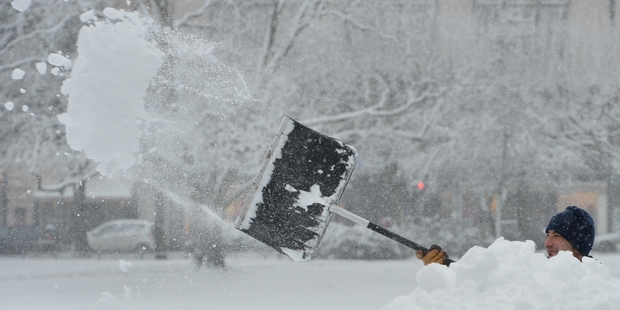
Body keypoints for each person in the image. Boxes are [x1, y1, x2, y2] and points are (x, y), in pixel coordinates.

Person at [416, 205, 596, 265]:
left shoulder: (597, 293)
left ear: (578, 244)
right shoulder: (534, 274)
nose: (547, 243)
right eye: (548, 235)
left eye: (557, 236)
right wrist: (446, 270)